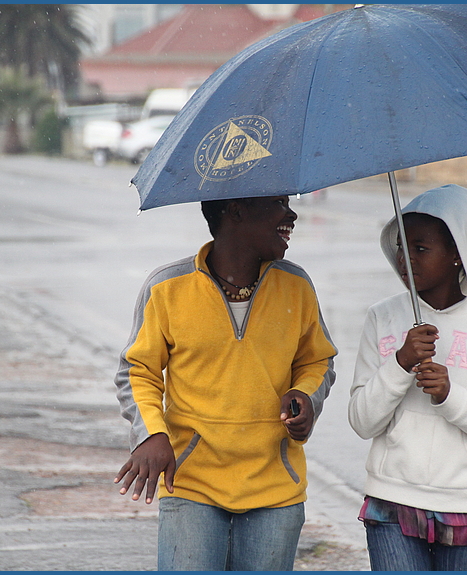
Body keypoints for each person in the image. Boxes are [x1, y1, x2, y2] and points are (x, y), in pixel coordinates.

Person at [114, 195, 338, 571]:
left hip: (275, 490)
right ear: (237, 210)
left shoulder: (296, 286)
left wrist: (306, 397)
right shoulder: (167, 288)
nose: (292, 214)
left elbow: (317, 359)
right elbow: (138, 371)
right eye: (279, 203)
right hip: (190, 484)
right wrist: (151, 434)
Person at [348, 184, 467, 571]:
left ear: (457, 255)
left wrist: (451, 397)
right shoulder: (382, 317)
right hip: (392, 502)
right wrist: (399, 363)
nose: (405, 259)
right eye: (401, 246)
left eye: (421, 248)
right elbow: (362, 421)